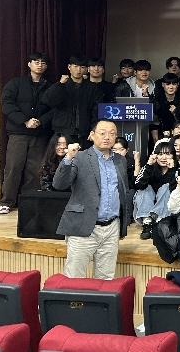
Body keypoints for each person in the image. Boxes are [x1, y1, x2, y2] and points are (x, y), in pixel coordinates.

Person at [53, 119, 130, 279]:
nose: (107, 137)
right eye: (102, 133)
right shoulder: (79, 157)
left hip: (111, 228)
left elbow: (123, 194)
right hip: (83, 226)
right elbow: (59, 184)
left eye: (112, 134)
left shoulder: (120, 160)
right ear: (92, 135)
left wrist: (122, 227)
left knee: (106, 279)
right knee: (74, 278)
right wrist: (68, 158)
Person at [0, 52, 53, 214]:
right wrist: (25, 120)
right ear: (29, 64)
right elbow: (7, 104)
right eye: (36, 62)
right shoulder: (16, 83)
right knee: (13, 167)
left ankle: (29, 201)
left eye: (43, 63)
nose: (40, 65)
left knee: (35, 169)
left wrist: (40, 121)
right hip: (18, 133)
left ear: (46, 66)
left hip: (40, 134)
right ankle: (6, 201)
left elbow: (54, 109)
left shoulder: (50, 87)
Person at [42, 55, 100, 149]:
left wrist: (94, 129)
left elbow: (96, 110)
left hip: (84, 133)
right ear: (69, 67)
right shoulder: (62, 84)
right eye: (75, 66)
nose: (79, 70)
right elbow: (48, 100)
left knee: (83, 157)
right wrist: (60, 84)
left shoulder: (92, 88)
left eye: (82, 67)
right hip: (63, 131)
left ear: (86, 69)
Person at [132, 141, 177, 238]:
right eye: (160, 154)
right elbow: (138, 185)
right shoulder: (149, 168)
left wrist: (172, 170)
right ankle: (147, 223)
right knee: (144, 188)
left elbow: (176, 191)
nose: (164, 157)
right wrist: (148, 165)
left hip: (167, 211)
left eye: (167, 154)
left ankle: (160, 222)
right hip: (148, 206)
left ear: (173, 156)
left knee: (166, 187)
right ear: (155, 156)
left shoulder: (178, 170)